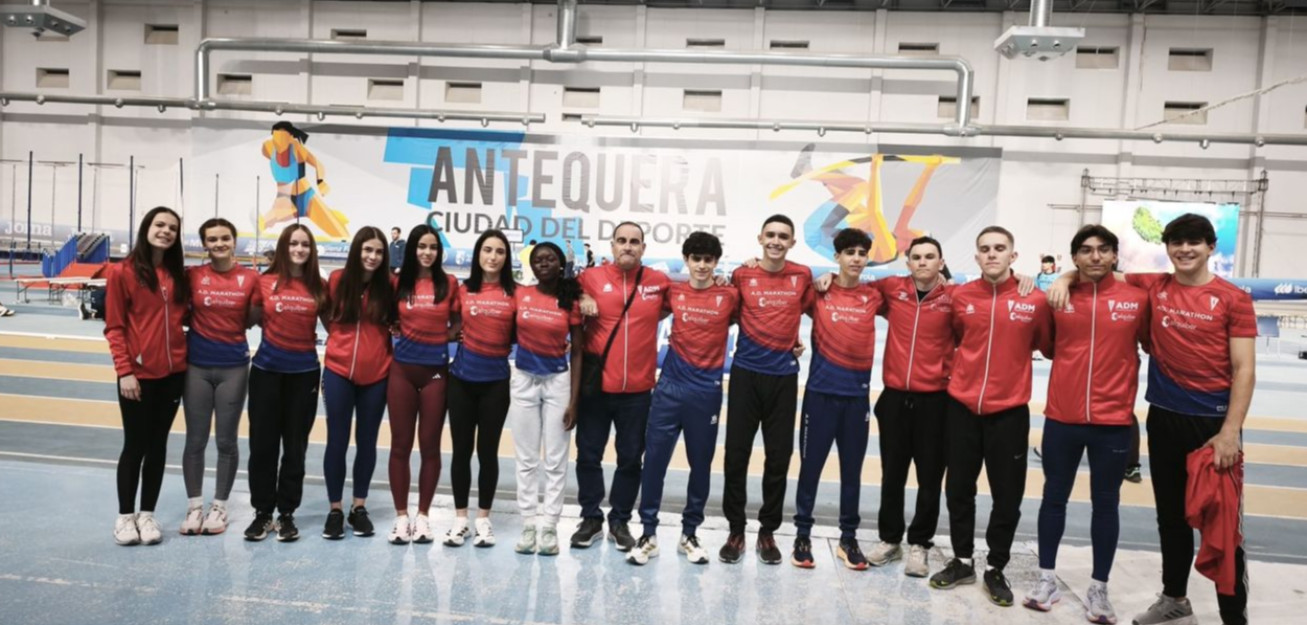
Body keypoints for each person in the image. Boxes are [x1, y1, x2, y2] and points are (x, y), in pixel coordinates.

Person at [1051, 213, 1256, 625]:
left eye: (1194, 242)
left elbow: (1245, 369)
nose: (1185, 250)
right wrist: (1065, 276)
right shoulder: (1153, 286)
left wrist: (1230, 431)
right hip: (1163, 419)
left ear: (1211, 247)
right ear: (1167, 248)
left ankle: (1234, 615)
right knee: (1171, 518)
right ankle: (1175, 598)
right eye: (1177, 242)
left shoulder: (1233, 299)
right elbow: (1099, 267)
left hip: (1212, 425)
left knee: (1221, 526)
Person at [1021, 225, 1149, 624]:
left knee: (1106, 504)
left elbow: (1149, 344)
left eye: (1103, 250)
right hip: (1062, 417)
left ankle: (1099, 588)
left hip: (1113, 421)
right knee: (1053, 498)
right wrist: (1063, 280)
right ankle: (1046, 580)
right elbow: (1047, 346)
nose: (1095, 257)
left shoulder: (1137, 299)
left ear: (1114, 256)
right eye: (1086, 251)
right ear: (1074, 258)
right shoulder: (1056, 299)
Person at [930, 226, 1052, 607]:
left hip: (1009, 413)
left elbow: (1048, 347)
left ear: (1013, 256)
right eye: (985, 249)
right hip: (962, 409)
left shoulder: (1035, 300)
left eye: (1000, 248)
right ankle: (963, 559)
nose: (992, 254)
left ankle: (996, 566)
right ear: (977, 256)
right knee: (959, 489)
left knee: (1007, 496)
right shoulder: (961, 297)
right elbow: (951, 338)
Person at [627, 232, 738, 566]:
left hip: (706, 394)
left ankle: (689, 533)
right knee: (654, 464)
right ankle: (648, 533)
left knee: (700, 466)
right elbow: (641, 314)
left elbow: (762, 322)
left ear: (716, 262)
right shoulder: (672, 292)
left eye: (708, 260)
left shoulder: (730, 296)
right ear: (686, 260)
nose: (702, 265)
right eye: (696, 259)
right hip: (669, 391)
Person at [571, 222, 672, 551]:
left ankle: (619, 520)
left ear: (643, 247)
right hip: (597, 389)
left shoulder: (658, 283)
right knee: (588, 456)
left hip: (638, 393)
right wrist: (582, 295)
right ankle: (590, 517)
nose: (627, 246)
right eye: (621, 241)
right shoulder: (591, 278)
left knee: (630, 459)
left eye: (634, 242)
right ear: (611, 246)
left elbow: (689, 299)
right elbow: (564, 293)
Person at [721, 214, 813, 565]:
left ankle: (767, 531)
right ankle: (736, 529)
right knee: (736, 456)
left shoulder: (802, 275)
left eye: (783, 236)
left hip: (783, 378)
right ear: (760, 238)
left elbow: (814, 305)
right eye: (770, 234)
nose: (776, 240)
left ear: (792, 243)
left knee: (779, 458)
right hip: (746, 375)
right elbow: (727, 311)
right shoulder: (742, 274)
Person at [790, 228, 882, 570]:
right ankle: (802, 535)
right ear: (837, 257)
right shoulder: (818, 291)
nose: (856, 258)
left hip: (856, 399)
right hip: (820, 397)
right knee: (810, 469)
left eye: (861, 252)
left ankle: (848, 538)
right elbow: (784, 311)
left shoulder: (875, 296)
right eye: (849, 253)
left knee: (852, 472)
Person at [864, 235, 955, 577]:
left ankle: (920, 544)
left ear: (941, 262)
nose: (922, 262)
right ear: (908, 262)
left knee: (930, 476)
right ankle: (890, 539)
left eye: (930, 257)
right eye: (916, 257)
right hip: (894, 398)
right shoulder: (892, 288)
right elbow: (853, 287)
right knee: (893, 474)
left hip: (936, 400)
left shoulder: (954, 298)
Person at [105, 206, 189, 546]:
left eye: (172, 228)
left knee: (158, 446)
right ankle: (125, 517)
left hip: (173, 375)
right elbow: (114, 326)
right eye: (160, 225)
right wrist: (125, 370)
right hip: (137, 376)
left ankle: (148, 514)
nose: (166, 231)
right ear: (146, 227)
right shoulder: (122, 272)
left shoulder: (177, 275)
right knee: (135, 446)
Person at [245, 224, 328, 542]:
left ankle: (286, 513)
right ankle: (262, 513)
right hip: (266, 372)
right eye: (293, 243)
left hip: (304, 374)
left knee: (295, 449)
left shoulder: (319, 286)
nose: (299, 249)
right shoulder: (263, 282)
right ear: (283, 246)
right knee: (262, 447)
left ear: (311, 250)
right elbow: (244, 320)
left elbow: (337, 326)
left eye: (305, 244)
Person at [180, 218, 261, 537]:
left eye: (225, 238)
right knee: (195, 440)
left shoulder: (250, 278)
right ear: (204, 244)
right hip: (197, 366)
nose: (219, 244)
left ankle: (219, 507)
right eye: (212, 239)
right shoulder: (193, 276)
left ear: (234, 240)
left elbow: (255, 318)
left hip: (233, 367)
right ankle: (194, 506)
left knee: (226, 440)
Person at [509, 242, 583, 556]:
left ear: (559, 264)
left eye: (550, 259)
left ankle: (550, 526)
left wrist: (574, 401)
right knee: (526, 460)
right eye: (538, 259)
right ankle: (528, 525)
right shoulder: (521, 294)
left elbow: (578, 351)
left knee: (555, 460)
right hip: (524, 379)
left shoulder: (571, 301)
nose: (543, 264)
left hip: (558, 383)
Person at [321, 227, 395, 540]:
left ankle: (358, 507)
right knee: (337, 441)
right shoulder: (338, 280)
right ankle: (335, 509)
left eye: (378, 252)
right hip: (338, 371)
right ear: (357, 251)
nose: (373, 257)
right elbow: (327, 316)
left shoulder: (390, 285)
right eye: (367, 250)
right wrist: (338, 342)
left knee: (367, 441)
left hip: (377, 374)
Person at [387, 224, 458, 545]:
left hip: (435, 375)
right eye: (421, 246)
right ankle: (401, 517)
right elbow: (386, 316)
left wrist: (446, 336)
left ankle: (424, 517)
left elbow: (458, 321)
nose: (427, 252)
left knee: (430, 447)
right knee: (400, 446)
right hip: (401, 372)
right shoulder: (398, 282)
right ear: (412, 248)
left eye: (432, 247)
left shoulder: (450, 284)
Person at [444, 229, 516, 548]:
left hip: (496, 385)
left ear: (506, 257)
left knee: (488, 453)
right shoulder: (462, 291)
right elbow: (445, 327)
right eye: (487, 250)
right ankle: (461, 519)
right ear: (478, 254)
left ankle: (483, 520)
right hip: (460, 382)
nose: (493, 256)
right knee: (461, 451)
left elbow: (523, 330)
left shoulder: (515, 294)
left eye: (499, 251)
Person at [259, 121, 349, 238]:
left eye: (283, 137)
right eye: (277, 137)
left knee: (340, 233)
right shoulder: (267, 147)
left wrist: (320, 181)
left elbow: (317, 163)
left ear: (291, 137)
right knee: (263, 223)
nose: (280, 143)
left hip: (306, 197)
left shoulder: (297, 148)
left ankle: (334, 219)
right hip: (284, 198)